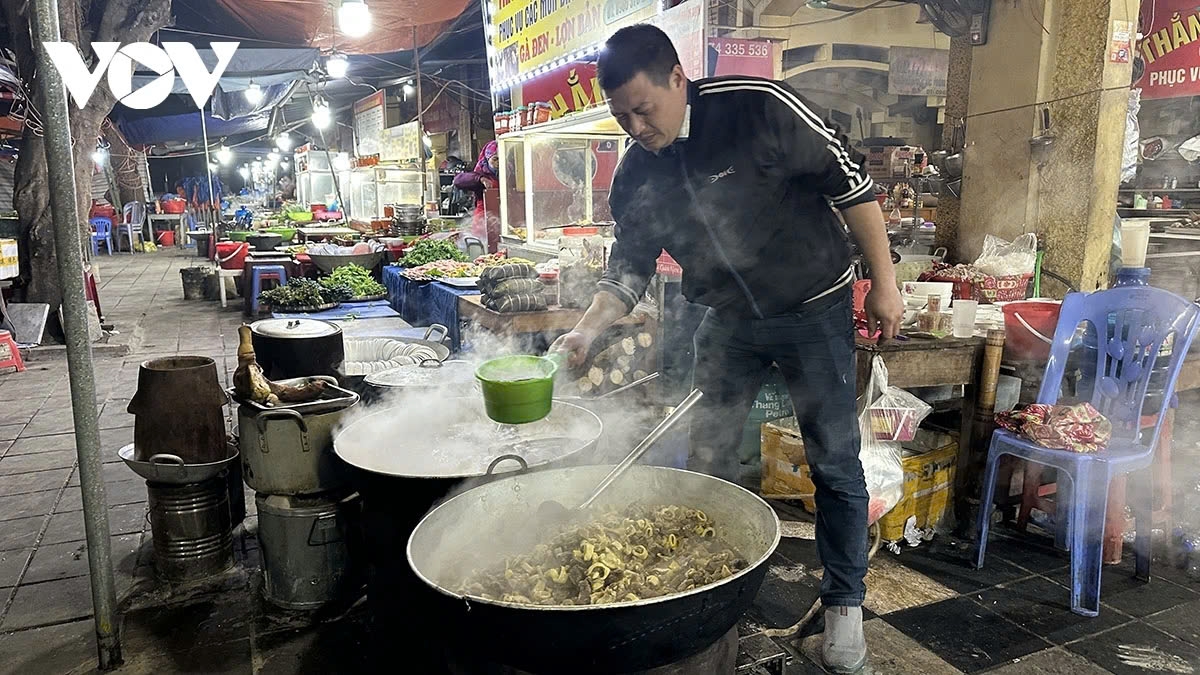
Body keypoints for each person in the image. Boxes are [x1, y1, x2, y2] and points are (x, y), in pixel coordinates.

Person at [550, 24, 904, 674]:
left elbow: (852, 185)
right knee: (708, 453)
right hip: (728, 318)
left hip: (814, 304)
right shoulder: (638, 173)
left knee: (833, 458)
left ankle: (844, 607)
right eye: (621, 115)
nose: (635, 126)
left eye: (643, 108)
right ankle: (707, 587)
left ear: (677, 80)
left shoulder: (758, 106)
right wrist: (587, 328)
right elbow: (627, 268)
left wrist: (885, 282)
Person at [453, 141, 501, 252]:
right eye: (495, 159)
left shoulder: (509, 171)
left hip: (503, 219)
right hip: (483, 221)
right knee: (482, 251)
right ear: (487, 159)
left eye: (500, 158)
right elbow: (458, 180)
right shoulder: (481, 173)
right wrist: (480, 179)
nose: (498, 163)